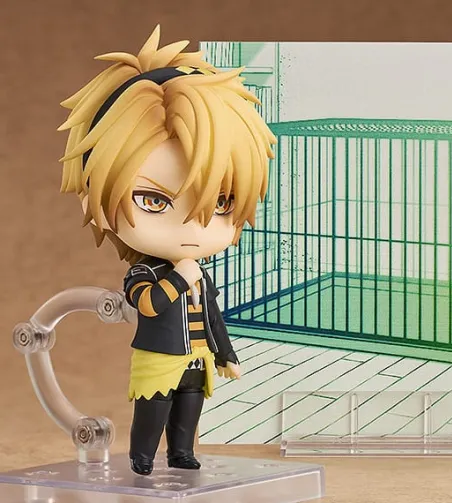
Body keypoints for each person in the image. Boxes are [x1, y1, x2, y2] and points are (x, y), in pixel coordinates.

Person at [57, 25, 277, 476]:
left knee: (189, 411)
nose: (194, 226)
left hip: (197, 357)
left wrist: (226, 354)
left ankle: (181, 454)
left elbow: (212, 316)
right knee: (153, 410)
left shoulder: (200, 274)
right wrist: (179, 276)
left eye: (221, 203)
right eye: (154, 201)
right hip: (159, 358)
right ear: (94, 198)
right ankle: (142, 459)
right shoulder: (146, 273)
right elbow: (150, 305)